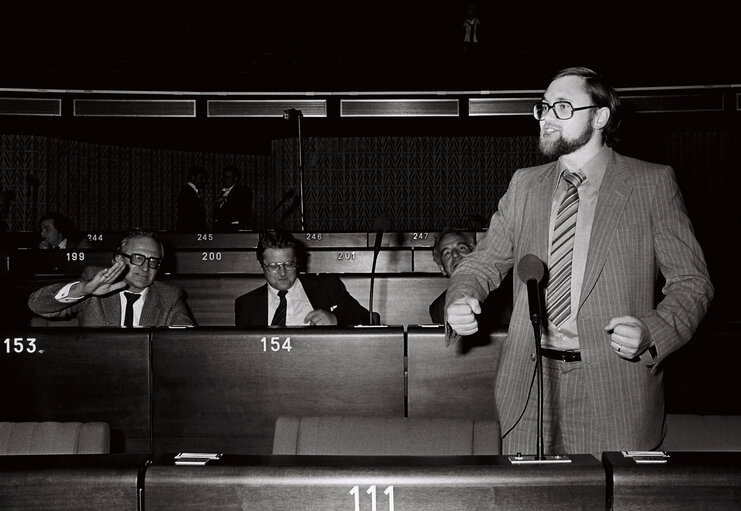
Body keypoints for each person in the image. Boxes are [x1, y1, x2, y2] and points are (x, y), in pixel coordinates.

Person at [444, 67, 713, 457]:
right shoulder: (525, 184)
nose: (548, 116)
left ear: (600, 116)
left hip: (614, 387)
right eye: (544, 106)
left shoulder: (651, 183)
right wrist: (461, 296)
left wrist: (652, 331)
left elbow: (693, 283)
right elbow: (482, 262)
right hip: (530, 386)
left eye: (563, 106)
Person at [28, 228, 196, 327]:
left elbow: (185, 345)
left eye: (153, 261)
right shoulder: (93, 281)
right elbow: (37, 305)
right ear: (118, 259)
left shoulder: (170, 296)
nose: (145, 267)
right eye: (138, 258)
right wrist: (84, 289)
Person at [235, 230, 372, 327]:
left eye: (289, 264)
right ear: (262, 267)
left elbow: (365, 317)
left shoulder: (327, 287)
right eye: (273, 266)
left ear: (297, 263)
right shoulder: (246, 305)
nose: (282, 273)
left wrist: (336, 319)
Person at [429, 227, 511, 328]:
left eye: (462, 248)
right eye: (447, 253)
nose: (455, 254)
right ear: (442, 269)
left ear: (474, 254)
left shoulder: (507, 298)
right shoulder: (437, 309)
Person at [214, 164, 253, 232]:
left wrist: (225, 199)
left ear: (235, 179)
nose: (224, 180)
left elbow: (240, 205)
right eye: (223, 177)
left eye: (228, 177)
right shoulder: (223, 192)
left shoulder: (243, 190)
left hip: (234, 230)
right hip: (221, 230)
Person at [176, 165, 208, 232]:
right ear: (193, 177)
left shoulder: (188, 191)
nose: (204, 181)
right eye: (201, 178)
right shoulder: (187, 192)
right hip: (190, 232)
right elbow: (190, 217)